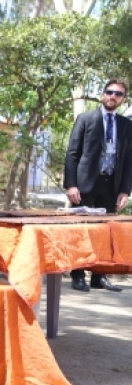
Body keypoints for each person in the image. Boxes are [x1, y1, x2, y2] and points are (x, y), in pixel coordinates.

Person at [63, 78, 132, 293]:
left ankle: (99, 276)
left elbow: (129, 159)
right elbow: (73, 153)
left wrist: (125, 190)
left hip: (111, 185)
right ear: (103, 94)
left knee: (104, 233)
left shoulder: (126, 125)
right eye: (109, 92)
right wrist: (72, 184)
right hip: (85, 185)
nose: (113, 96)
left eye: (118, 94)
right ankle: (78, 275)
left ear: (123, 99)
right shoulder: (85, 119)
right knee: (82, 231)